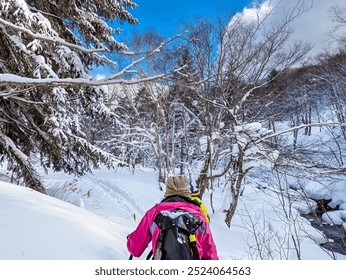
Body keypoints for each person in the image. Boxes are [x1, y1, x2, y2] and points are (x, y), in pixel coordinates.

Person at [127, 175, 218, 260]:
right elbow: (210, 254)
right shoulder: (198, 216)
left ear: (167, 191)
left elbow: (135, 249)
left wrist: (130, 239)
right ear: (187, 192)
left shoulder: (154, 213)